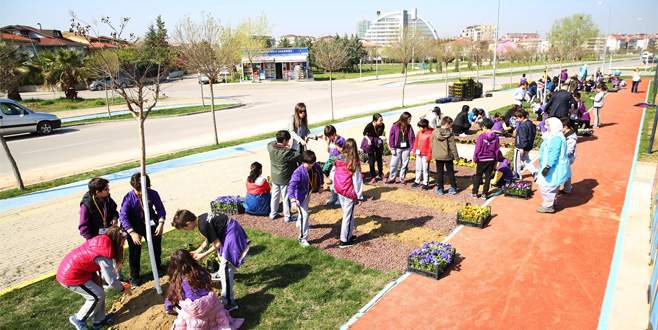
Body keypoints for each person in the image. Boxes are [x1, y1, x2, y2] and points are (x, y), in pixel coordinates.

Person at [171, 210, 250, 312]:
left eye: (185, 229)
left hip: (232, 234)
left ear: (188, 223)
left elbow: (217, 245)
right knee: (223, 265)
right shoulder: (202, 218)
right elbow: (210, 238)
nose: (187, 231)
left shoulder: (203, 226)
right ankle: (223, 280)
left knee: (226, 268)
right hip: (229, 230)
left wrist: (202, 255)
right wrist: (197, 250)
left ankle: (229, 303)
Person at [56, 226, 128, 330]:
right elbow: (111, 280)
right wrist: (122, 288)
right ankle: (78, 319)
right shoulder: (105, 252)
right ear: (118, 240)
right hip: (71, 276)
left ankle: (99, 320)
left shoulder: (103, 241)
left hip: (82, 270)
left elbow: (103, 273)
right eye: (123, 240)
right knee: (96, 296)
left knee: (100, 291)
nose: (124, 243)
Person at [164, 249, 243, 329]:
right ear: (190, 259)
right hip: (210, 305)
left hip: (194, 311)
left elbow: (172, 296)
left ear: (174, 265)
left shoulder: (178, 280)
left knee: (182, 313)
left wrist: (168, 307)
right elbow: (209, 285)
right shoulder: (201, 271)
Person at [119, 173, 166, 287]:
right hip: (134, 227)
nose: (140, 192)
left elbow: (160, 209)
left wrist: (160, 223)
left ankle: (158, 268)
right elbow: (123, 216)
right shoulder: (128, 198)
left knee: (156, 247)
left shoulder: (153, 194)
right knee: (134, 252)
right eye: (137, 189)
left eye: (142, 189)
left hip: (152, 223)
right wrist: (132, 232)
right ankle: (135, 277)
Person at [332, 139, 363, 248]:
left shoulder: (339, 158)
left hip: (340, 188)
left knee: (346, 213)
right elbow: (357, 180)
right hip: (348, 190)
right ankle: (344, 240)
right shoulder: (353, 161)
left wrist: (334, 187)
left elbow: (334, 173)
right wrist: (359, 196)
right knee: (348, 215)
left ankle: (349, 235)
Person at [288, 150, 323, 247]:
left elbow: (320, 173)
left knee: (304, 214)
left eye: (313, 164)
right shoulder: (297, 172)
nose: (312, 166)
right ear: (303, 162)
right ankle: (302, 239)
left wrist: (321, 185)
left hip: (307, 193)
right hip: (298, 197)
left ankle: (300, 222)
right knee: (305, 215)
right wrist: (293, 200)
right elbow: (291, 187)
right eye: (309, 164)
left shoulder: (315, 165)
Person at [536, 118, 571, 213]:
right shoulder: (555, 135)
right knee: (552, 187)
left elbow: (554, 153)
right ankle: (551, 203)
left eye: (548, 125)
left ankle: (548, 206)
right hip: (552, 166)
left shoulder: (556, 138)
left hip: (552, 168)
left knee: (547, 187)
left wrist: (548, 166)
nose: (546, 127)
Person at [267, 130, 301, 223]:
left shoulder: (270, 147)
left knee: (275, 196)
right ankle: (287, 217)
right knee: (286, 197)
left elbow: (271, 143)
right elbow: (298, 155)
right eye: (288, 140)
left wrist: (282, 145)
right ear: (285, 140)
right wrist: (288, 147)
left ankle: (273, 214)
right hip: (285, 178)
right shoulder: (287, 152)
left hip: (274, 177)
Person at [472, 118, 501, 199]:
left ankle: (475, 193)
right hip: (491, 159)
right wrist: (496, 160)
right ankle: (484, 194)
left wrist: (475, 158)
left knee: (478, 176)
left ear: (484, 127)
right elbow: (497, 150)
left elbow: (477, 149)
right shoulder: (496, 137)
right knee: (488, 177)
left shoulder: (481, 136)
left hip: (481, 159)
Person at [431, 116, 459, 195]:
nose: (451, 126)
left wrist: (434, 153)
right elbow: (452, 146)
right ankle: (453, 187)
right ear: (447, 124)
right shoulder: (449, 133)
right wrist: (456, 157)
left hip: (438, 155)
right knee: (450, 172)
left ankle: (440, 189)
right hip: (448, 156)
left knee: (439, 172)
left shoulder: (434, 132)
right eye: (450, 124)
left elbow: (431, 143)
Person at [387, 112, 415, 184]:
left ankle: (402, 178)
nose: (410, 120)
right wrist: (392, 147)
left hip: (406, 148)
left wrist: (412, 148)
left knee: (404, 164)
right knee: (394, 164)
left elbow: (412, 137)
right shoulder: (395, 125)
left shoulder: (409, 126)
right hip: (397, 148)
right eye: (409, 119)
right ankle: (392, 178)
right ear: (405, 119)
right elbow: (391, 137)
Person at [323, 125, 346, 205]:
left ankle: (340, 199)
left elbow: (344, 151)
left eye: (330, 136)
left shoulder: (341, 140)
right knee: (332, 181)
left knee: (339, 182)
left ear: (334, 133)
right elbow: (328, 151)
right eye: (328, 136)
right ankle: (333, 197)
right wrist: (327, 143)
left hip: (340, 164)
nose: (329, 138)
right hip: (333, 164)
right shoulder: (330, 140)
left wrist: (336, 144)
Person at [513, 109, 537, 180]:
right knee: (526, 160)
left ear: (522, 117)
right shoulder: (531, 123)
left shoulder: (522, 126)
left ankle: (517, 174)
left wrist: (521, 148)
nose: (516, 120)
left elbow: (523, 137)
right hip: (528, 146)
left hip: (521, 147)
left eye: (517, 118)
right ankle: (534, 171)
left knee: (517, 161)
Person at [362, 113, 385, 183]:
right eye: (380, 120)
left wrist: (381, 138)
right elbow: (364, 133)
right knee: (371, 161)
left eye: (382, 120)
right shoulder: (369, 126)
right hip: (370, 143)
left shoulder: (382, 125)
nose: (382, 121)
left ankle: (381, 174)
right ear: (375, 121)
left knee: (379, 159)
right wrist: (368, 140)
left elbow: (380, 135)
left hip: (377, 142)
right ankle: (373, 177)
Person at [412, 119, 433, 190]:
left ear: (425, 127)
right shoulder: (419, 132)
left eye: (421, 127)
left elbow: (431, 146)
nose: (420, 128)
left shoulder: (430, 134)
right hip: (419, 153)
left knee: (425, 169)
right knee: (418, 168)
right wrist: (414, 151)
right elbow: (416, 142)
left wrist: (429, 156)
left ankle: (425, 183)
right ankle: (417, 181)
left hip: (425, 155)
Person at [560, 118, 578, 194]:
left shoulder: (571, 137)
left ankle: (566, 189)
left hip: (568, 157)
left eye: (560, 127)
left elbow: (570, 150)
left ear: (566, 127)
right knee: (567, 172)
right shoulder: (565, 133)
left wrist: (561, 156)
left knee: (563, 172)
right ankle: (567, 188)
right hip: (565, 156)